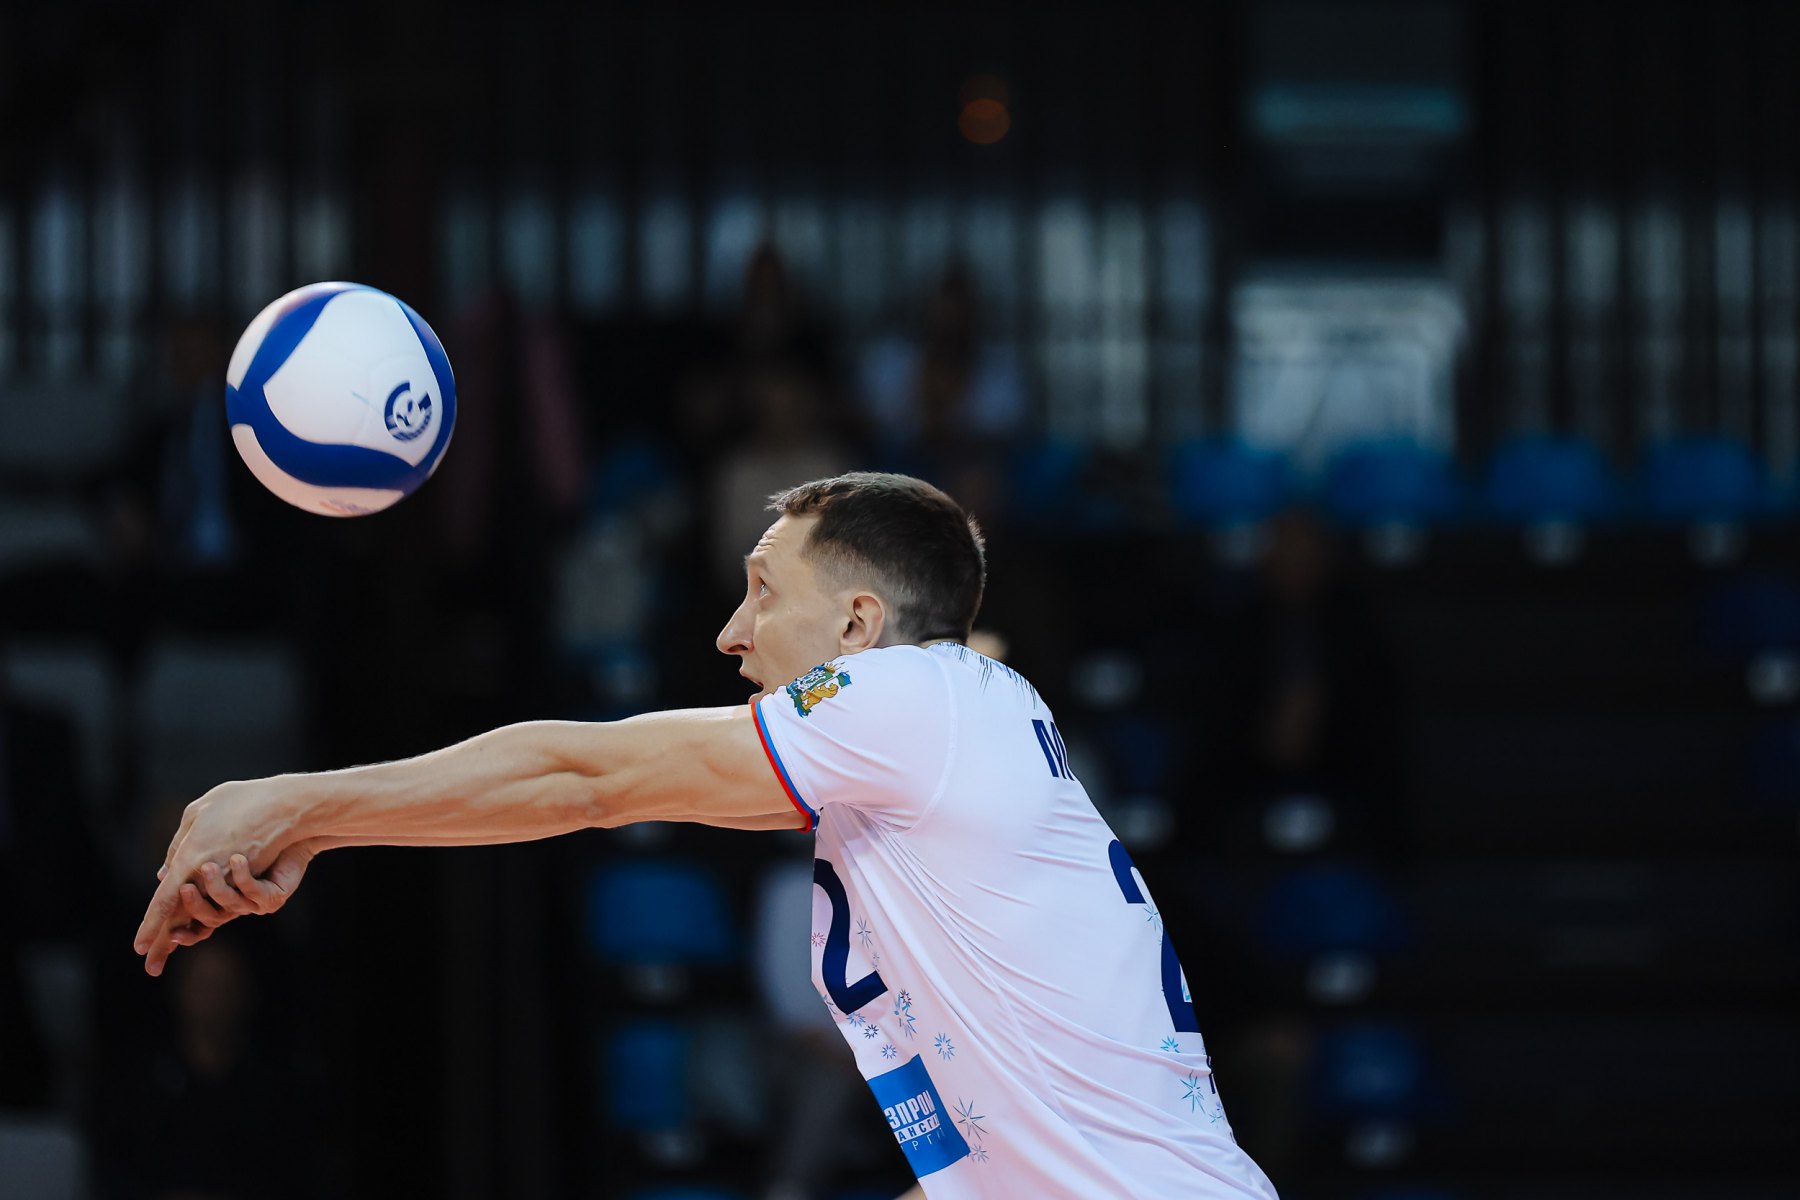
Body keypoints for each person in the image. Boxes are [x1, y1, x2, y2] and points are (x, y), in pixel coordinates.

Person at [133, 473, 1279, 1199]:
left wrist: (297, 805)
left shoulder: (913, 693)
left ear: (858, 624)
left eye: (764, 589)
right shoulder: (930, 769)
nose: (732, 632)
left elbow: (588, 776)